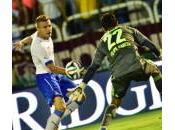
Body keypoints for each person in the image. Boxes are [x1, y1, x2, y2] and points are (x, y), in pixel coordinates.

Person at [70, 13, 162, 130]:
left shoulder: (102, 42)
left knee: (114, 102)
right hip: (137, 66)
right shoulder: (128, 29)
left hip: (118, 75)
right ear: (117, 22)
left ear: (103, 28)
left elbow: (93, 67)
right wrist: (159, 54)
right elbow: (148, 44)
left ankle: (103, 127)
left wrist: (81, 86)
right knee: (153, 69)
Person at [14, 15, 85, 130]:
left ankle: (53, 121)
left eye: (49, 26)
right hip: (45, 77)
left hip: (54, 75)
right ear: (38, 29)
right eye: (44, 27)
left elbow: (30, 37)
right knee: (60, 107)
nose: (48, 29)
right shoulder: (39, 46)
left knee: (80, 97)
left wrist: (22, 42)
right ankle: (53, 122)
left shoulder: (40, 34)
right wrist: (72, 72)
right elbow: (52, 68)